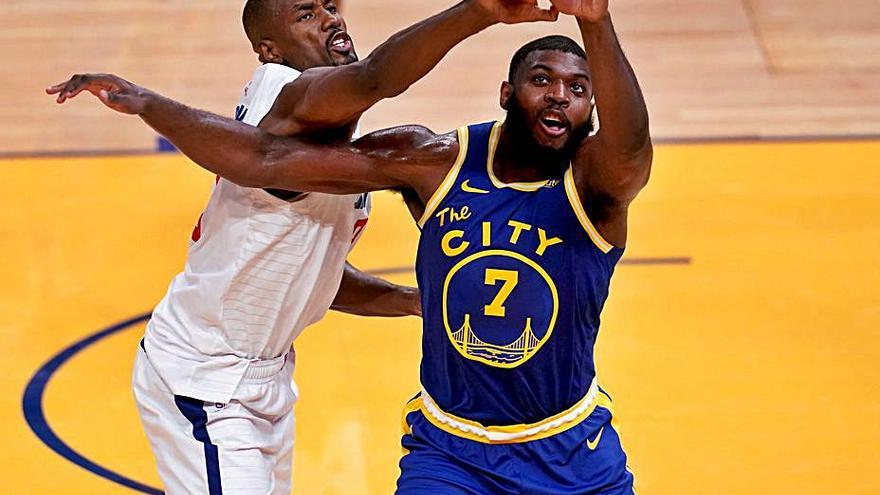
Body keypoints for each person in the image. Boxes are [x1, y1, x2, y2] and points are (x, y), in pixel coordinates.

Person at [49, 0, 651, 492]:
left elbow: (312, 274)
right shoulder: (300, 99)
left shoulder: (588, 182)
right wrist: (486, 11)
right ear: (270, 48)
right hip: (211, 379)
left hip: (268, 373)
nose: (332, 20)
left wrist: (423, 300)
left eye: (333, 6)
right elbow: (364, 87)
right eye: (308, 14)